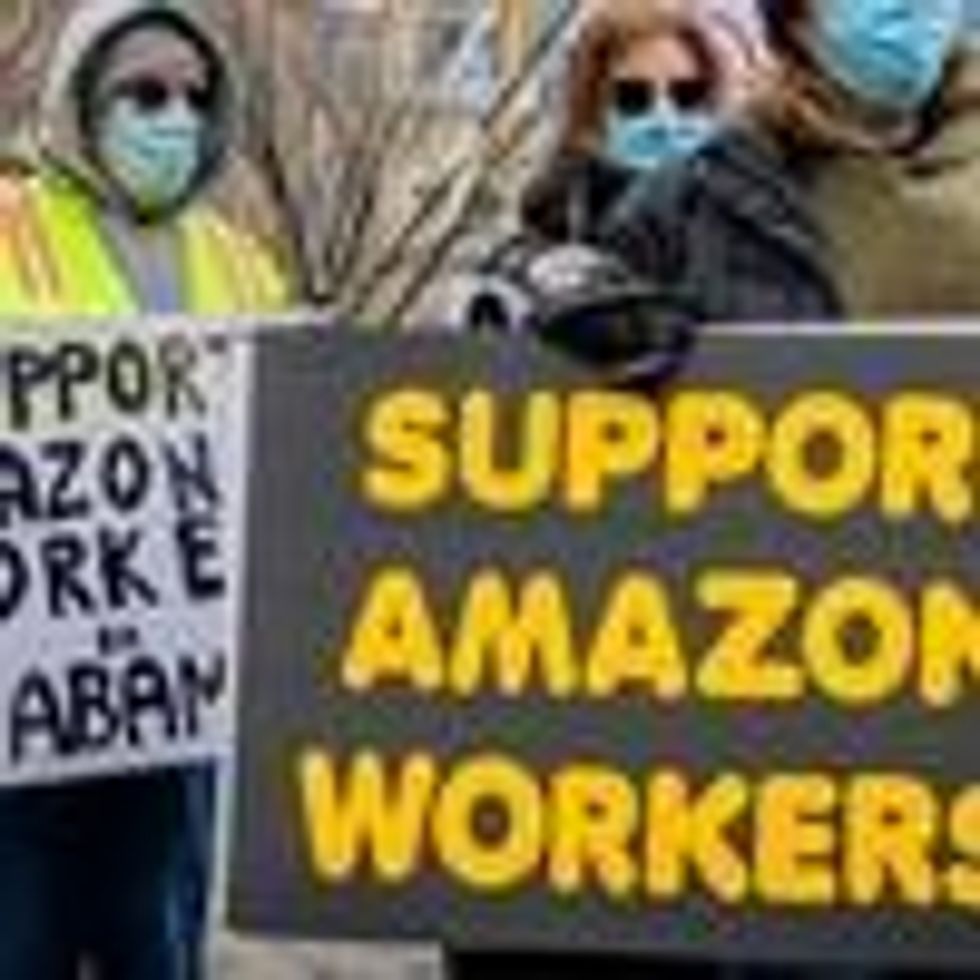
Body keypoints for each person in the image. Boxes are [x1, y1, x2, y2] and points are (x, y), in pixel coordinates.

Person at [0, 1, 286, 977]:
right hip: (24, 696)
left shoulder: (240, 260)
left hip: (172, 701)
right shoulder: (7, 226)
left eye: (194, 97)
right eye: (145, 93)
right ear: (84, 102)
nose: (175, 118)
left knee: (154, 939)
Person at [522, 0, 740, 247]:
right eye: (634, 97)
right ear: (591, 111)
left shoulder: (748, 222)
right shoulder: (549, 231)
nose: (664, 119)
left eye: (686, 96)